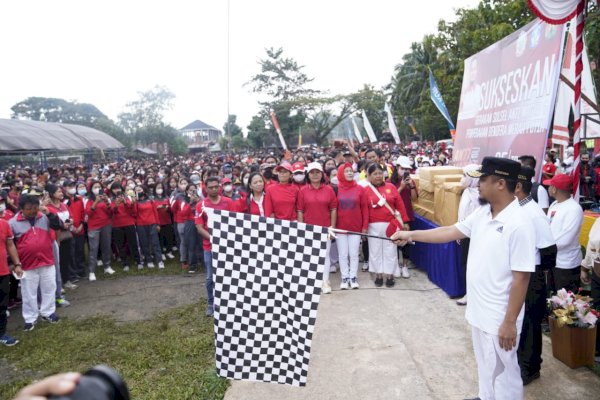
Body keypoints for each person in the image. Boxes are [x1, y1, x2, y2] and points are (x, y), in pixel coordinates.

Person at [391, 157, 535, 400]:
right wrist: (410, 234)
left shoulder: (519, 223)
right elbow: (449, 231)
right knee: (485, 363)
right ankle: (485, 396)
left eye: (483, 179)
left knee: (504, 372)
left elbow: (521, 278)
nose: (477, 184)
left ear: (500, 183)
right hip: (480, 309)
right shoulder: (482, 213)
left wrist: (510, 322)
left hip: (499, 314)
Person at [514, 166, 557, 385]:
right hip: (523, 273)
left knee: (530, 323)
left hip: (533, 276)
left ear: (519, 186)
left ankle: (530, 369)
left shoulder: (533, 212)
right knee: (522, 322)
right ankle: (522, 363)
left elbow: (549, 250)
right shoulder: (518, 208)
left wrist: (537, 272)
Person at [10, 195, 65, 331]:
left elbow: (58, 225)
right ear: (21, 209)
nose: (33, 211)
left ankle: (48, 312)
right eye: (29, 209)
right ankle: (30, 318)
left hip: (46, 260)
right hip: (27, 264)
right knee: (29, 292)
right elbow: (10, 245)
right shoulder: (13, 223)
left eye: (35, 208)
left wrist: (49, 214)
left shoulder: (44, 217)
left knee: (49, 288)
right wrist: (16, 264)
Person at [196, 177, 235, 316]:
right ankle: (211, 303)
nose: (213, 189)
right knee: (210, 278)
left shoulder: (228, 202)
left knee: (229, 276)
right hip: (210, 247)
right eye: (210, 187)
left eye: (215, 186)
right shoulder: (201, 205)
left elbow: (234, 222)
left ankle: (228, 302)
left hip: (227, 245)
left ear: (219, 187)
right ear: (206, 189)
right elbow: (199, 228)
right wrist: (214, 239)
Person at [297, 162, 338, 294]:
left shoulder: (329, 190)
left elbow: (333, 209)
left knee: (324, 256)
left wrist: (332, 227)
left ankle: (325, 280)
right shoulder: (302, 191)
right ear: (308, 175)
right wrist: (302, 229)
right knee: (310, 257)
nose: (315, 175)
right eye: (312, 173)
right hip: (309, 229)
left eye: (318, 172)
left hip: (325, 228)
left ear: (322, 174)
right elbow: (300, 211)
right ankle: (314, 282)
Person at [365, 163, 408, 288]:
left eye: (380, 173)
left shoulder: (391, 187)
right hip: (373, 226)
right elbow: (365, 209)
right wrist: (365, 226)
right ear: (369, 176)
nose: (378, 176)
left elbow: (400, 205)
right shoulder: (366, 190)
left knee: (391, 250)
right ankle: (378, 275)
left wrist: (404, 222)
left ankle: (390, 275)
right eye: (375, 174)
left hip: (391, 225)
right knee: (375, 251)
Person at [543, 174, 584, 293]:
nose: (548, 188)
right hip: (553, 260)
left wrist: (546, 248)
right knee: (552, 299)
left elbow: (566, 239)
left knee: (566, 304)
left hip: (567, 264)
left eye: (550, 186)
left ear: (554, 189)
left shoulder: (574, 208)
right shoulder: (554, 204)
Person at [335, 162, 368, 289]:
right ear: (340, 174)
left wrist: (365, 226)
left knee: (354, 254)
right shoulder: (336, 188)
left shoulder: (360, 189)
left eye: (351, 171)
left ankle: (353, 277)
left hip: (356, 227)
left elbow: (365, 209)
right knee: (343, 254)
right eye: (346, 171)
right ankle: (344, 277)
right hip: (340, 227)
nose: (349, 173)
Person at [455, 164, 481, 306]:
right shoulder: (467, 192)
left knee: (473, 265)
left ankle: (472, 294)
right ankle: (467, 292)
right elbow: (462, 213)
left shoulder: (480, 196)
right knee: (466, 264)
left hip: (474, 236)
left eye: (465, 175)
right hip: (464, 233)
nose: (462, 179)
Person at [391, 156, 417, 279]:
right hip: (395, 215)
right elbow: (391, 197)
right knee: (394, 240)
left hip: (407, 214)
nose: (405, 171)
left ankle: (405, 266)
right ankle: (396, 265)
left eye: (407, 169)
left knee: (407, 241)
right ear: (397, 168)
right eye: (402, 168)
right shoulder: (390, 182)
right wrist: (401, 186)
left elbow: (415, 198)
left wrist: (411, 185)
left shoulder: (410, 181)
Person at [85, 181, 114, 281]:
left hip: (106, 225)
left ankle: (107, 266)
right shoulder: (88, 200)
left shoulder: (106, 198)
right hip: (94, 227)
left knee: (106, 246)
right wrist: (96, 202)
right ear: (91, 189)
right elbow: (88, 213)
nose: (97, 188)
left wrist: (106, 202)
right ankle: (92, 271)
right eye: (95, 187)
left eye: (99, 187)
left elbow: (111, 212)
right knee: (94, 249)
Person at [0, 212, 23, 346]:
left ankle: (2, 333)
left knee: (2, 304)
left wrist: (17, 264)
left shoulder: (4, 224)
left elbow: (10, 245)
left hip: (2, 272)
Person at [580, 217, 600, 363]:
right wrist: (585, 268)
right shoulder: (598, 221)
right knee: (597, 309)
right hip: (597, 273)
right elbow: (590, 245)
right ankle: (597, 347)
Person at [109, 182, 141, 271]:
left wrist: (125, 203)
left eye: (118, 188)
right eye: (114, 189)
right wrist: (116, 204)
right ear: (112, 190)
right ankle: (125, 263)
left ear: (121, 189)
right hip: (117, 225)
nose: (117, 190)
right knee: (120, 245)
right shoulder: (111, 200)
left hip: (129, 223)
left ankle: (138, 261)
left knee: (133, 243)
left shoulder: (128, 198)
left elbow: (132, 211)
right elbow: (111, 212)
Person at [134, 186, 164, 269]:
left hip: (152, 223)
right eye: (136, 190)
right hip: (141, 225)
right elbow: (134, 214)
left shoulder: (150, 200)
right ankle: (149, 260)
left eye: (140, 189)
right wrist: (134, 203)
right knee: (144, 243)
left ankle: (159, 260)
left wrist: (158, 224)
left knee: (155, 242)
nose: (139, 191)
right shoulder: (135, 202)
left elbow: (155, 212)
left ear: (143, 190)